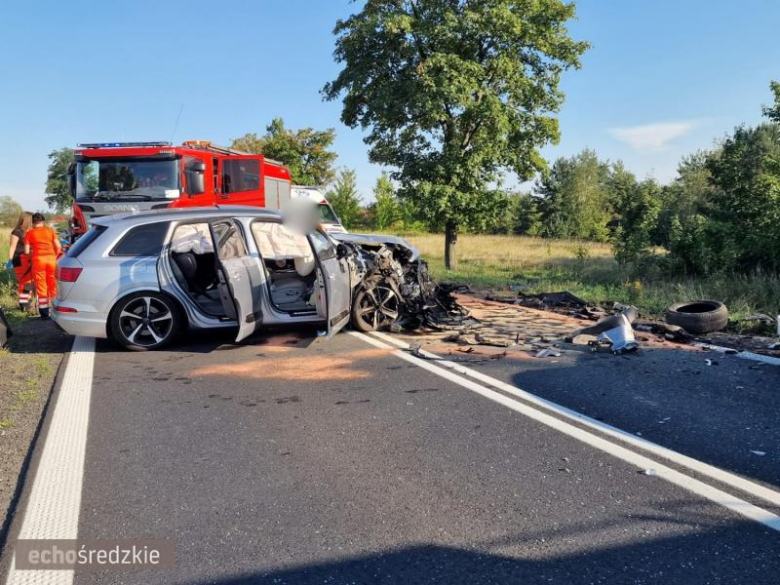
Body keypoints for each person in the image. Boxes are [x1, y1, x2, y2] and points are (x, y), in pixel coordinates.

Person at [23, 213, 61, 320]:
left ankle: (44, 313)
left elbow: (26, 251)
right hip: (51, 259)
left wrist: (32, 256)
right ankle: (55, 309)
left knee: (41, 286)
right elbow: (58, 246)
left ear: (32, 222)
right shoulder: (50, 230)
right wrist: (54, 256)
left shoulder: (29, 233)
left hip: (38, 260)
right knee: (52, 284)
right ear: (43, 221)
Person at [6, 211, 34, 311]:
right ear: (27, 220)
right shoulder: (17, 232)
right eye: (32, 219)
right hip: (19, 259)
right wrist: (10, 260)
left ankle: (26, 301)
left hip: (30, 259)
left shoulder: (31, 231)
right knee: (25, 281)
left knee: (30, 281)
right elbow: (12, 247)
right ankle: (24, 303)